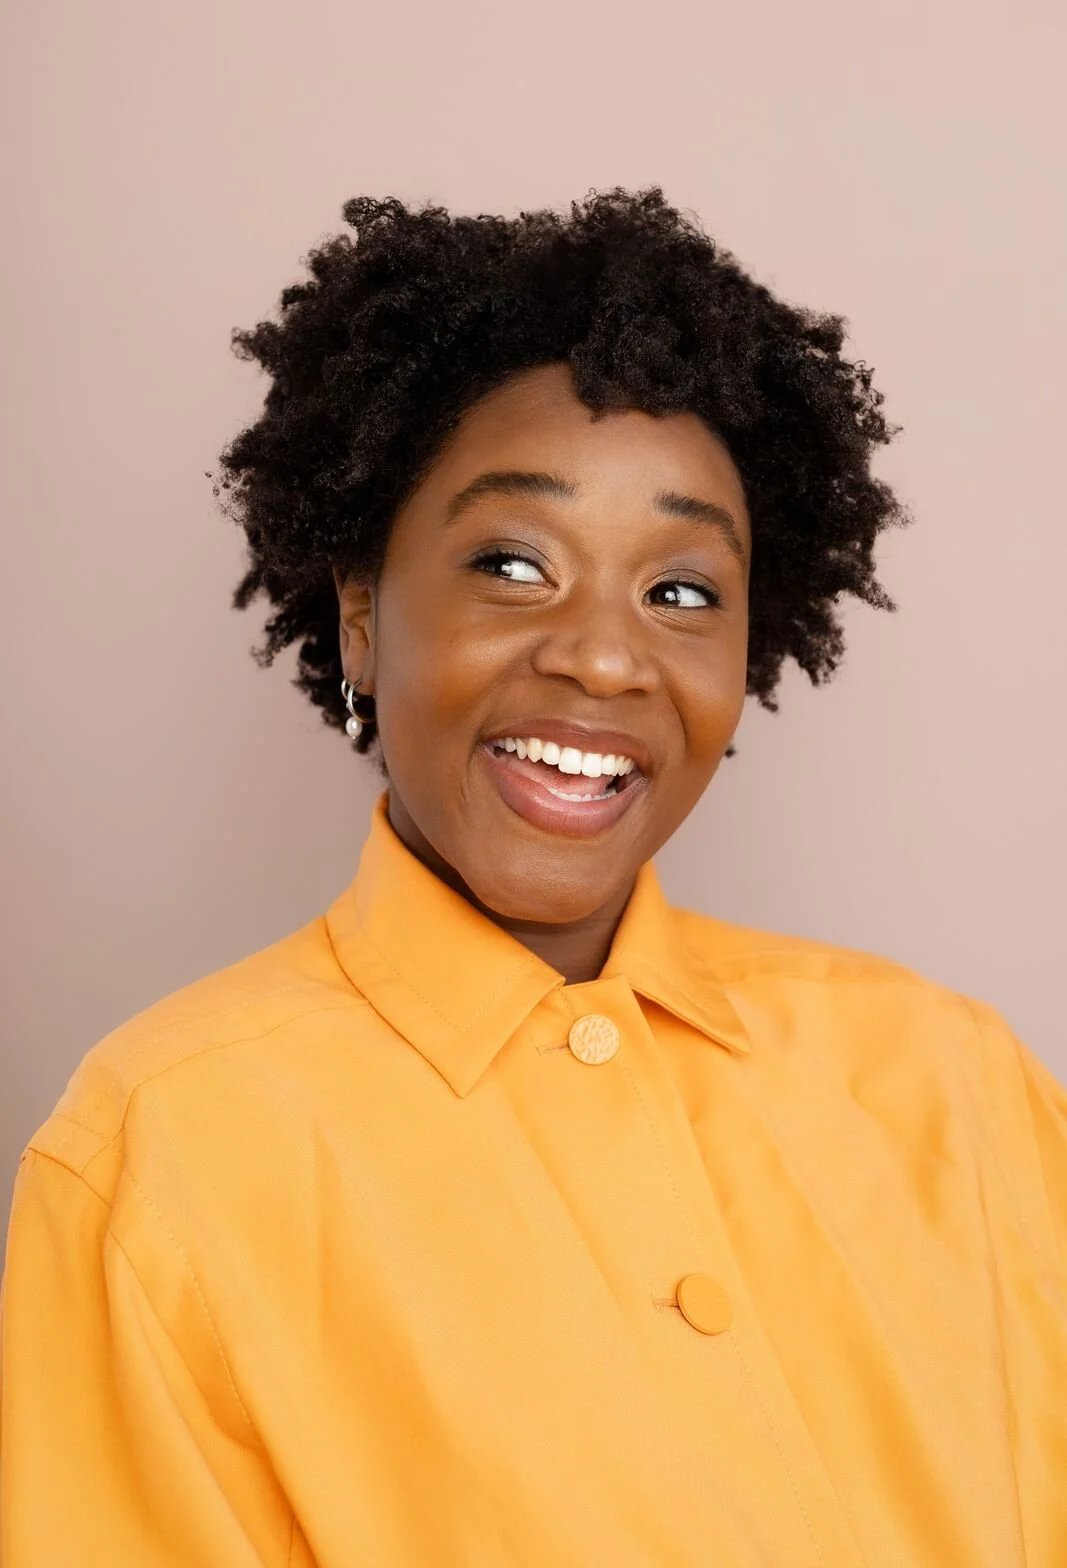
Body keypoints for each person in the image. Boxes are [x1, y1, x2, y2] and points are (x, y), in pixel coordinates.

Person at [1, 187, 1064, 1566]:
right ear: (364, 616)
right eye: (513, 564)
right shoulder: (164, 1154)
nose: (605, 658)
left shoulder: (955, 1087)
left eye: (680, 593)